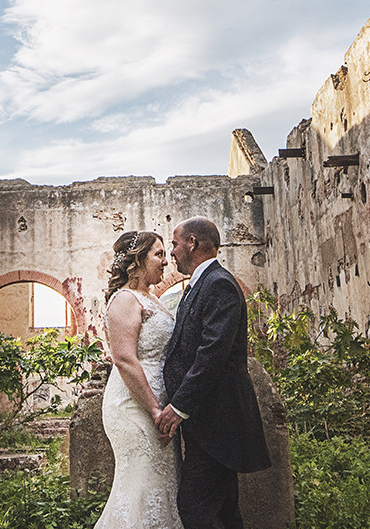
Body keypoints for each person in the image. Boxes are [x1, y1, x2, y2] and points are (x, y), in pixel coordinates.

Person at [155, 217, 271, 529]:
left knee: (195, 508)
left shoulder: (218, 284)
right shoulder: (200, 285)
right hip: (206, 422)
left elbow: (212, 354)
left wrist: (179, 406)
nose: (173, 253)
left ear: (192, 243)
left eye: (176, 244)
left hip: (218, 420)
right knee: (222, 510)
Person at [94, 230, 183, 529]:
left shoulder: (153, 299)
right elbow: (124, 359)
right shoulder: (124, 299)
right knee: (142, 484)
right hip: (134, 406)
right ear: (138, 259)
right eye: (158, 254)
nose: (166, 261)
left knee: (164, 484)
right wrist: (154, 409)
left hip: (160, 406)